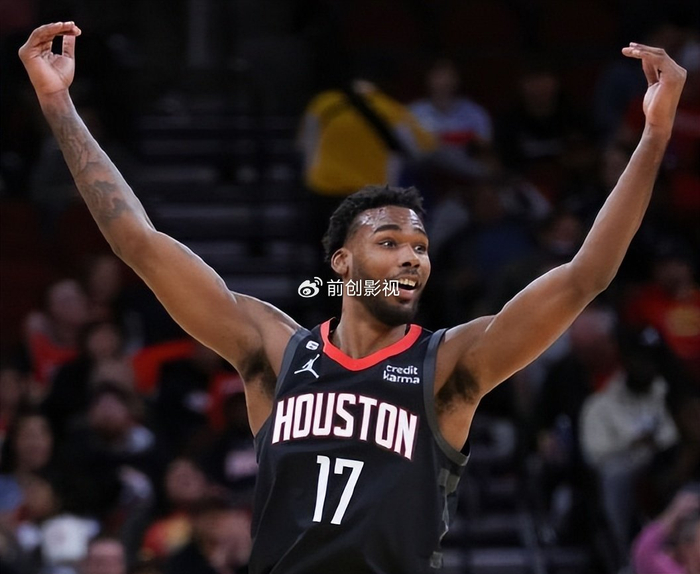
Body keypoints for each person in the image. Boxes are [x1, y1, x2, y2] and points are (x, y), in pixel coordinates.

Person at [19, 22, 687, 573]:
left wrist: (653, 137)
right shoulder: (275, 351)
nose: (411, 257)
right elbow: (139, 242)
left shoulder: (448, 366)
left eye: (420, 246)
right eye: (389, 241)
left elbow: (583, 276)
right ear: (342, 262)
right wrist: (59, 106)